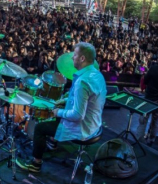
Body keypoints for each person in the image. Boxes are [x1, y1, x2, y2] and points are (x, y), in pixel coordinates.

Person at [16, 42, 107, 172]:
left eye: (74, 55)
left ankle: (35, 164)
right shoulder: (97, 75)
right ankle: (53, 142)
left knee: (40, 128)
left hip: (83, 129)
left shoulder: (82, 82)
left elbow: (77, 115)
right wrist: (65, 100)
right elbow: (86, 99)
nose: (72, 58)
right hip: (95, 123)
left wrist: (58, 112)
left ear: (82, 58)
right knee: (61, 112)